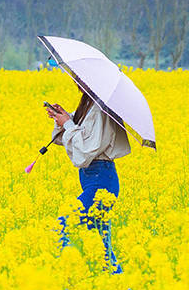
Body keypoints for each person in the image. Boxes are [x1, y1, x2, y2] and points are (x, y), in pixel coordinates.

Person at [45, 90, 130, 273]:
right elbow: (70, 139)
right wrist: (64, 119)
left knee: (58, 229)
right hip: (94, 178)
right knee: (102, 247)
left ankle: (72, 276)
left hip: (102, 182)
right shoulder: (89, 105)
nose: (76, 82)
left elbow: (84, 151)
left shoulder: (101, 109)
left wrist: (67, 123)